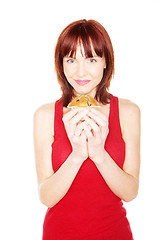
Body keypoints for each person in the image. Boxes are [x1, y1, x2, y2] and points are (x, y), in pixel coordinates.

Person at [33, 19, 141, 240]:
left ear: (105, 62)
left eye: (91, 59)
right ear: (61, 63)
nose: (80, 71)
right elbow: (46, 197)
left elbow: (130, 192)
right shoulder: (44, 115)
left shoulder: (128, 112)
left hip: (115, 233)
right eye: (71, 59)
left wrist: (99, 154)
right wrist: (77, 155)